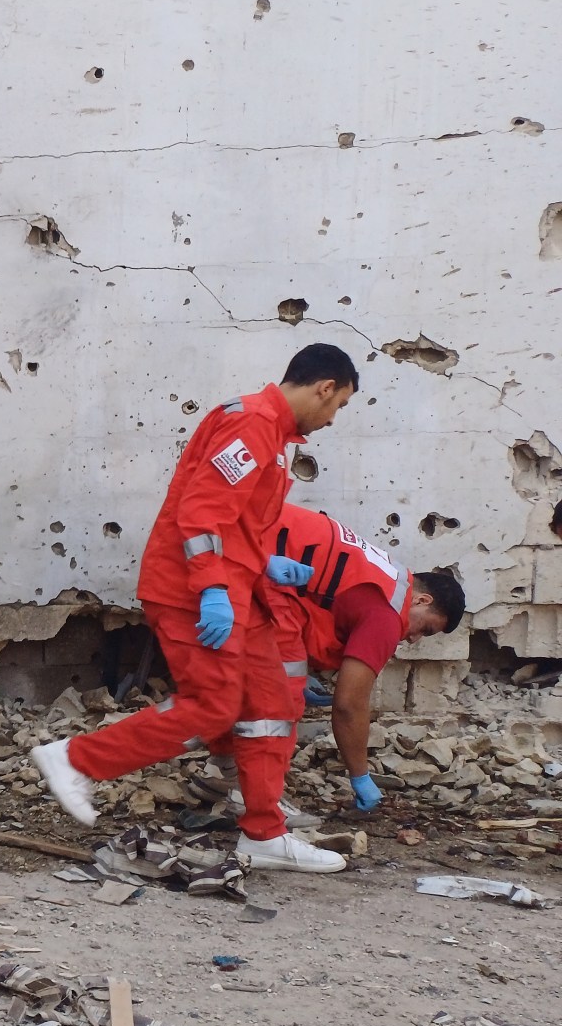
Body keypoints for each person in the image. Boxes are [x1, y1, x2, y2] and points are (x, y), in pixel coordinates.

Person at [31, 344, 362, 873]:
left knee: (273, 703)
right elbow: (201, 513)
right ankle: (75, 759)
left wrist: (263, 564)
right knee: (213, 705)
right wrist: (211, 587)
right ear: (325, 387)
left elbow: (232, 519)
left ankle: (263, 833)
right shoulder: (253, 426)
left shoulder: (267, 430)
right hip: (194, 592)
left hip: (237, 588)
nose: (333, 418)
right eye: (339, 405)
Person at [263, 502, 466, 811]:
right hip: (240, 561)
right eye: (424, 629)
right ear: (423, 600)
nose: (412, 639)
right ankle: (259, 803)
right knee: (278, 705)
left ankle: (225, 777)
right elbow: (348, 706)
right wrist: (360, 776)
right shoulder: (387, 615)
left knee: (257, 694)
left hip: (239, 545)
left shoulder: (384, 573)